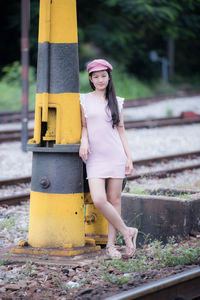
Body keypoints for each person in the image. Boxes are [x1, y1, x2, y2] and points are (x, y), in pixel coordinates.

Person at [79, 59, 138, 259]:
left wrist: (129, 158)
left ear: (109, 77)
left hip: (115, 155)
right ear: (90, 79)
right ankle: (127, 231)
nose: (100, 79)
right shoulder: (83, 100)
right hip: (95, 157)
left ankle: (111, 246)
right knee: (99, 199)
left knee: (114, 200)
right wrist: (84, 141)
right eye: (96, 76)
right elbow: (84, 126)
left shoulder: (117, 101)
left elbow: (121, 131)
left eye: (103, 76)